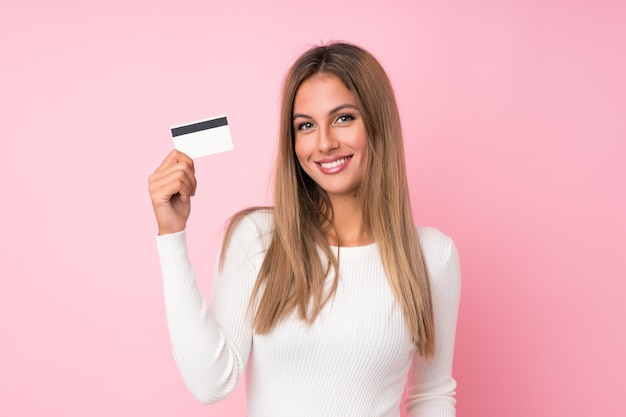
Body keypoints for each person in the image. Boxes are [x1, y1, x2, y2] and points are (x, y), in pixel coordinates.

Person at [148, 42, 461, 417]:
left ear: (378, 122)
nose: (325, 142)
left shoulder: (432, 256)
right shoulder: (259, 238)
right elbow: (211, 382)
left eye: (344, 118)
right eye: (306, 126)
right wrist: (171, 235)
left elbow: (432, 396)